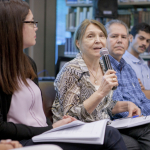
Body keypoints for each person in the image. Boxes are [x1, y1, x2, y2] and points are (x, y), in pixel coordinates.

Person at [0, 1, 127, 150]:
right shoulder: (71, 69)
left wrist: (53, 127)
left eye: (101, 36)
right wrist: (50, 128)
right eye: (31, 22)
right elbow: (3, 127)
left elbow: (37, 114)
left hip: (44, 133)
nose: (36, 27)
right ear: (13, 26)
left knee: (111, 133)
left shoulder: (27, 63)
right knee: (109, 135)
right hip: (25, 139)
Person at [52, 18, 150, 150]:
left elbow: (105, 106)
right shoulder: (71, 70)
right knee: (135, 142)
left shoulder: (103, 67)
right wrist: (100, 92)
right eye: (90, 36)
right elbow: (70, 116)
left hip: (103, 126)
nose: (98, 40)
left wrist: (126, 105)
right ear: (78, 43)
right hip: (77, 130)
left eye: (101, 36)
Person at [105, 19, 150, 118]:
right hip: (124, 124)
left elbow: (143, 100)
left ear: (127, 40)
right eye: (114, 36)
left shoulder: (128, 68)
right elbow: (117, 108)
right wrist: (140, 117)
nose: (120, 40)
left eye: (123, 37)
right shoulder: (102, 67)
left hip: (139, 121)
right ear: (104, 40)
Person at [123, 23, 150, 99]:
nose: (145, 43)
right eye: (141, 38)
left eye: (148, 41)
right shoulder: (123, 63)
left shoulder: (145, 65)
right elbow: (131, 96)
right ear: (131, 38)